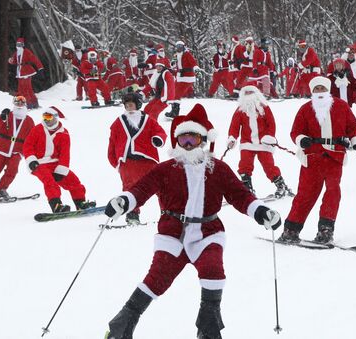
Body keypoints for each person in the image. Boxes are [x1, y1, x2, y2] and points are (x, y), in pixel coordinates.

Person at [103, 103, 281, 339]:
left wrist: (260, 212)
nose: (187, 145)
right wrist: (124, 202)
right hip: (172, 232)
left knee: (213, 271)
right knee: (157, 279)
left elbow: (240, 194)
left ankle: (208, 332)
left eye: (193, 140)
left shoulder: (217, 169)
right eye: (183, 140)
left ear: (203, 141)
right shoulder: (166, 169)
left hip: (208, 232)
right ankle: (121, 327)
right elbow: (142, 189)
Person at [278, 76, 356, 244]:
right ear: (312, 91)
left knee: (333, 192)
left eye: (322, 89)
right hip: (312, 158)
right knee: (305, 195)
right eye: (316, 89)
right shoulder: (305, 109)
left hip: (334, 157)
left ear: (328, 90)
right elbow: (295, 131)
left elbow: (353, 127)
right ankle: (291, 229)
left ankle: (325, 230)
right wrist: (301, 139)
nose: (319, 92)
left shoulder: (341, 106)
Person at [107, 93, 167, 225]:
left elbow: (160, 132)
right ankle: (133, 214)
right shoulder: (118, 122)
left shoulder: (148, 120)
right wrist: (116, 162)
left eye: (131, 104)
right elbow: (112, 143)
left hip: (148, 160)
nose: (129, 107)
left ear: (138, 104)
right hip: (127, 163)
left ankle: (167, 212)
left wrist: (158, 139)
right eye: (126, 105)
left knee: (159, 186)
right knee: (130, 189)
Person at [23, 106, 95, 213]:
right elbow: (28, 146)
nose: (47, 120)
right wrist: (31, 160)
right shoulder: (37, 129)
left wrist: (61, 170)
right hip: (39, 164)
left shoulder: (63, 133)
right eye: (45, 117)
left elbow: (65, 153)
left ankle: (80, 203)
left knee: (73, 181)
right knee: (50, 182)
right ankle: (57, 205)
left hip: (56, 165)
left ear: (56, 118)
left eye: (49, 117)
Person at [226, 85, 292, 198]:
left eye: (251, 93)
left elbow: (271, 123)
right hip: (247, 143)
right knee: (244, 165)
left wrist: (270, 136)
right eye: (246, 93)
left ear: (257, 94)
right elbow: (234, 126)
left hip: (263, 143)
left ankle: (281, 186)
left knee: (268, 165)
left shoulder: (264, 108)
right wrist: (232, 138)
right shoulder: (240, 110)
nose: (249, 96)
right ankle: (247, 187)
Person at [8, 38, 44, 109]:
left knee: (25, 89)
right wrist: (11, 60)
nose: (19, 46)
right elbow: (14, 61)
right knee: (26, 88)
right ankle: (34, 103)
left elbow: (34, 59)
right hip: (20, 72)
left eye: (20, 45)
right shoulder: (16, 52)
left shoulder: (26, 52)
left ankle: (28, 104)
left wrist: (40, 68)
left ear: (23, 45)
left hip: (26, 71)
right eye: (17, 45)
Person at [169, 41, 198, 118]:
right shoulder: (177, 55)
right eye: (177, 47)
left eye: (180, 47)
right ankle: (173, 110)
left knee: (177, 94)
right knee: (173, 91)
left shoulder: (187, 54)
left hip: (187, 77)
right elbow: (178, 66)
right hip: (180, 77)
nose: (179, 49)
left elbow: (193, 62)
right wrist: (173, 67)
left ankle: (175, 112)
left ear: (183, 47)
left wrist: (196, 69)